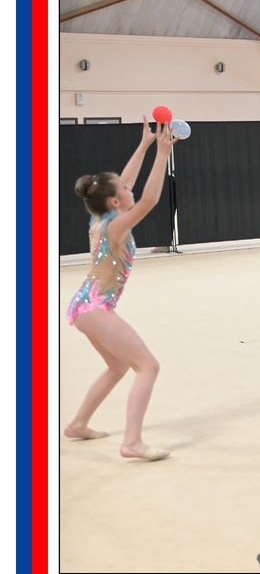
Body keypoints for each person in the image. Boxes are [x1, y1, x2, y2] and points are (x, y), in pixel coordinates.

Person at [65, 117, 177, 461]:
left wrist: (144, 145)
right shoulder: (116, 226)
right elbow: (149, 200)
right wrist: (162, 153)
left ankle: (78, 424)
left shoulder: (101, 216)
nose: (130, 188)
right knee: (148, 366)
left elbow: (125, 183)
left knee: (117, 367)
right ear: (115, 202)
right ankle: (132, 442)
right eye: (125, 190)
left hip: (84, 305)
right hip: (95, 307)